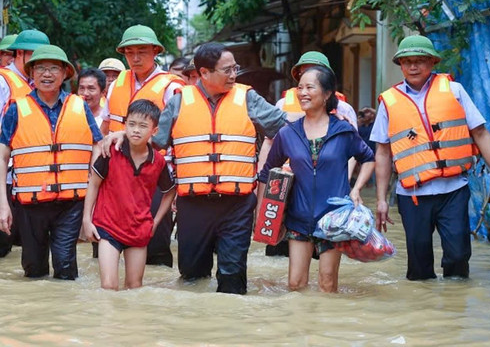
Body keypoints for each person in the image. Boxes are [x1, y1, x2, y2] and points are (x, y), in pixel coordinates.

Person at [102, 42, 293, 294]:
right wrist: (121, 136)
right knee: (193, 279)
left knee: (232, 278)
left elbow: (287, 131)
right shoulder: (180, 101)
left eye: (235, 68)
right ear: (204, 73)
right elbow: (155, 140)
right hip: (192, 206)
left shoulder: (248, 98)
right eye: (227, 70)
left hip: (237, 205)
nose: (234, 75)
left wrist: (320, 121)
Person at [371, 35, 490, 280]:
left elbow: (480, 132)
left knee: (458, 258)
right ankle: (425, 316)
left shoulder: (453, 90)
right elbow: (382, 152)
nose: (413, 66)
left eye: (420, 61)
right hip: (412, 195)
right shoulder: (389, 102)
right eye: (407, 61)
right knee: (419, 268)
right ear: (401, 65)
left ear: (432, 63)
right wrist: (381, 199)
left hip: (454, 190)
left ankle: (454, 313)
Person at [258, 66, 375, 292]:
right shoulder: (287, 133)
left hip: (334, 219)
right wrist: (264, 216)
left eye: (310, 87)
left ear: (327, 93)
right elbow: (267, 173)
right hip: (298, 218)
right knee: (295, 284)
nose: (302, 92)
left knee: (328, 283)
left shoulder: (343, 130)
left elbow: (369, 158)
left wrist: (356, 189)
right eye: (299, 87)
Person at [0, 44, 102, 279]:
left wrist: (93, 194)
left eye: (54, 68)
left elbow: (98, 145)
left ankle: (66, 314)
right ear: (32, 74)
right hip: (29, 204)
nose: (47, 74)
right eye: (41, 68)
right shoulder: (16, 109)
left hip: (70, 204)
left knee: (66, 268)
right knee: (33, 269)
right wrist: (3, 204)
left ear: (65, 73)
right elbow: (2, 155)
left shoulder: (79, 106)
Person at [100, 24, 184, 267]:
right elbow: (106, 128)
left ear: (155, 51)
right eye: (129, 52)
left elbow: (176, 135)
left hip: (153, 174)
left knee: (155, 243)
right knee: (110, 239)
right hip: (116, 174)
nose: (135, 58)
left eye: (142, 51)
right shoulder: (116, 84)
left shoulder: (172, 87)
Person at [261, 51, 358, 257]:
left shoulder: (344, 110)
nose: (308, 79)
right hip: (289, 188)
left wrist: (346, 184)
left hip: (327, 190)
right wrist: (263, 186)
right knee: (279, 250)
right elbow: (269, 145)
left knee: (325, 253)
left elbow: (353, 152)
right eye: (304, 73)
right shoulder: (283, 105)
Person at [83, 99, 175, 290]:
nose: (136, 130)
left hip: (139, 230)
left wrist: (155, 223)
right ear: (124, 126)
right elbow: (93, 183)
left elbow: (170, 192)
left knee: (135, 286)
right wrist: (86, 219)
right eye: (131, 124)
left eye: (143, 126)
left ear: (154, 131)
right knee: (108, 286)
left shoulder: (157, 162)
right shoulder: (111, 152)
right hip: (108, 226)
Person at [0, 29, 50, 258]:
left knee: (20, 246)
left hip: (25, 179)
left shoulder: (35, 85)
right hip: (5, 176)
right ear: (20, 53)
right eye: (36, 57)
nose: (41, 65)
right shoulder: (4, 82)